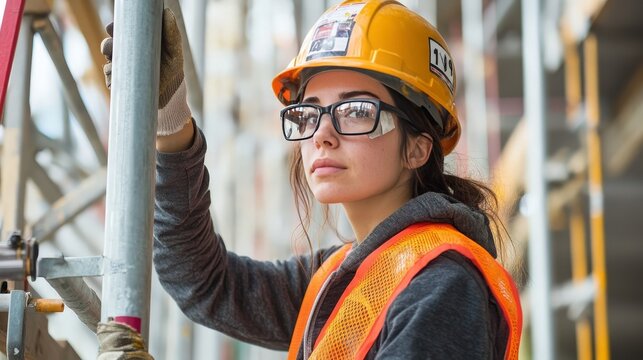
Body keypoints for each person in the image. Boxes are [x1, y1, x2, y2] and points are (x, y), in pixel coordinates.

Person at [99, 1, 522, 359]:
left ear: (418, 147)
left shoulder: (442, 286)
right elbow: (205, 283)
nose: (322, 134)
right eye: (309, 112)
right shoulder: (341, 275)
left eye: (356, 111)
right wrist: (170, 120)